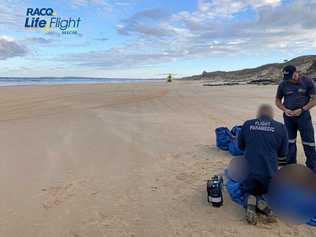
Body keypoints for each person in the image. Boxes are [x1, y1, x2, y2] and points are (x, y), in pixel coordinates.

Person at [238, 104, 288, 224]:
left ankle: (250, 200)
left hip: (250, 172)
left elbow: (240, 147)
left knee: (246, 191)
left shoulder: (247, 124)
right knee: (270, 192)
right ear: (272, 115)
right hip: (269, 175)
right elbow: (283, 153)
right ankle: (262, 201)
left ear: (258, 114)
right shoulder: (281, 127)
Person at [275, 65, 316, 171]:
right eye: (287, 78)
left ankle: (312, 167)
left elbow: (314, 99)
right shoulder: (283, 84)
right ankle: (291, 166)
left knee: (309, 142)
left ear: (296, 72)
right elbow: (278, 101)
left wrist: (302, 109)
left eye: (291, 76)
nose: (289, 80)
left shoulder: (307, 81)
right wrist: (285, 110)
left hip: (303, 116)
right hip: (289, 117)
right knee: (290, 142)